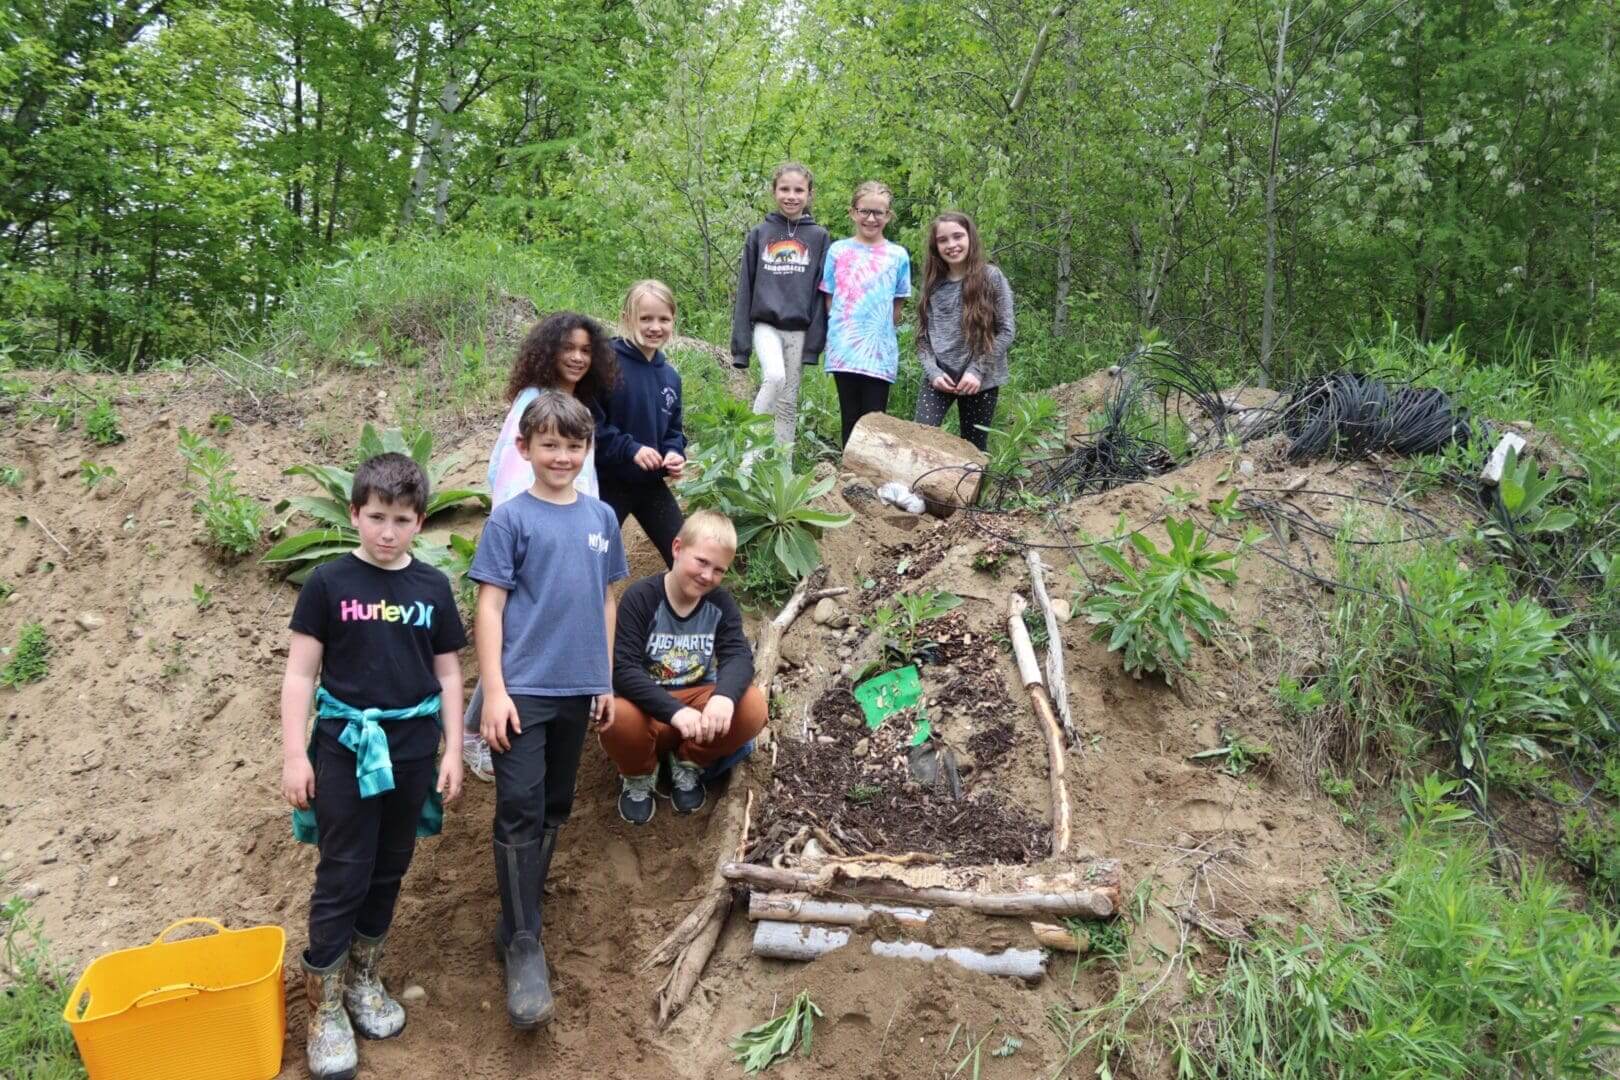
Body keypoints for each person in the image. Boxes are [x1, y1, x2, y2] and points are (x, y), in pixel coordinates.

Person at [279, 452, 467, 1080]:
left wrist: (452, 750)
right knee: (343, 873)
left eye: (403, 519)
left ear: (421, 523)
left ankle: (364, 979)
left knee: (390, 867)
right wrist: (292, 755)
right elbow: (300, 674)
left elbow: (447, 674)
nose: (388, 532)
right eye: (377, 517)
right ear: (355, 514)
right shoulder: (329, 584)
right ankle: (325, 1007)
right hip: (344, 750)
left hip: (413, 752)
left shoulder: (433, 588)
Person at [468, 391, 627, 1030]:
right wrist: (496, 691)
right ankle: (527, 945)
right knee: (519, 807)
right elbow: (490, 608)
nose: (561, 456)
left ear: (586, 451)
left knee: (556, 805)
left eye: (573, 445)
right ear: (525, 449)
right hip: (524, 691)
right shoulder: (510, 520)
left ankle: (516, 918)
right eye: (550, 445)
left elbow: (606, 602)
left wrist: (606, 681)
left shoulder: (603, 518)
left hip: (578, 691)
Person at [463, 312, 620, 784]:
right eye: (567, 348)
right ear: (547, 351)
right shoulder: (535, 401)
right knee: (515, 630)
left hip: (571, 524)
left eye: (586, 350)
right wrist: (523, 529)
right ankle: (475, 731)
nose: (576, 357)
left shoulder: (578, 404)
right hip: (530, 535)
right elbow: (508, 472)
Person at [600, 510, 767, 824]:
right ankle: (639, 773)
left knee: (753, 706)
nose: (707, 576)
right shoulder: (641, 598)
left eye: (718, 570)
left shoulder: (720, 604)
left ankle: (689, 762)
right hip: (648, 709)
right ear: (677, 549)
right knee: (613, 716)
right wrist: (674, 712)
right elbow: (622, 669)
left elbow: (738, 656)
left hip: (698, 711)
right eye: (701, 562)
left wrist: (723, 698)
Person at [731, 162, 831, 447]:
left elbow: (820, 291)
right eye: (784, 189)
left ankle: (780, 470)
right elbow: (745, 288)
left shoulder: (819, 237)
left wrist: (815, 343)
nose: (791, 196)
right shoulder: (759, 233)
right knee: (774, 377)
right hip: (766, 325)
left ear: (809, 194)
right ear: (774, 191)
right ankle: (748, 458)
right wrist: (741, 346)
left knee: (788, 400)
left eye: (799, 190)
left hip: (798, 329)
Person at [593, 279, 687, 567]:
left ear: (673, 321)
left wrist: (674, 453)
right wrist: (630, 448)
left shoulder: (670, 376)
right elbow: (589, 426)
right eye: (645, 318)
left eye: (663, 319)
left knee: (684, 556)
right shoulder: (605, 363)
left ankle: (688, 611)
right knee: (592, 561)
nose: (654, 327)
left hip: (650, 485)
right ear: (626, 319)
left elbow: (674, 430)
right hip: (607, 484)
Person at [913, 212, 1016, 452]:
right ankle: (920, 489)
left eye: (958, 236)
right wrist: (933, 372)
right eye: (943, 240)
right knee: (919, 439)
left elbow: (1006, 330)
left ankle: (973, 490)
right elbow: (921, 338)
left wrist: (977, 370)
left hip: (981, 379)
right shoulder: (932, 284)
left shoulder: (991, 277)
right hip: (939, 378)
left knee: (974, 449)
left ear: (970, 237)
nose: (951, 245)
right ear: (935, 246)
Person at [820, 180, 912, 448]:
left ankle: (871, 475)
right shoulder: (838, 251)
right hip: (844, 349)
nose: (871, 218)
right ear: (853, 212)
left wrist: (880, 334)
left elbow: (897, 305)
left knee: (874, 419)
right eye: (864, 211)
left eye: (878, 213)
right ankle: (848, 477)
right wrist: (841, 333)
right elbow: (830, 298)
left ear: (888, 216)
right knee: (849, 416)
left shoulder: (898, 256)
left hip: (878, 351)